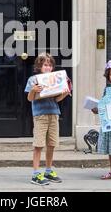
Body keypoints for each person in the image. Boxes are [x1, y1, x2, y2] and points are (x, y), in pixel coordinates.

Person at [24, 53, 71, 186]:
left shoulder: (55, 79)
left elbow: (56, 99)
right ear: (39, 66)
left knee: (51, 144)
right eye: (45, 65)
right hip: (40, 115)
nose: (48, 67)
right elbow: (30, 98)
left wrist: (65, 93)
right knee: (38, 144)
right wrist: (33, 90)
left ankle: (48, 170)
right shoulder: (33, 79)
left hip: (54, 113)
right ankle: (35, 174)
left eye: (50, 65)